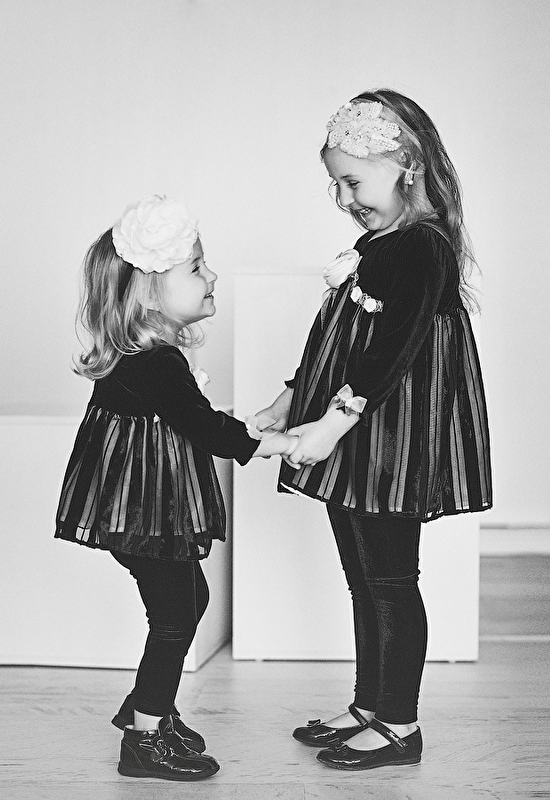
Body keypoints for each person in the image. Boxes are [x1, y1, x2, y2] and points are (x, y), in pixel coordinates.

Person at [256, 90, 492, 771]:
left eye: (353, 181)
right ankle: (370, 704)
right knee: (364, 577)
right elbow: (340, 342)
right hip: (359, 433)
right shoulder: (381, 244)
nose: (343, 197)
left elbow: (391, 349)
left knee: (390, 580)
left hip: (390, 438)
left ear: (406, 166)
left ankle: (399, 723)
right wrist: (289, 399)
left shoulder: (423, 248)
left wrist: (331, 425)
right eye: (335, 184)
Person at [55, 194, 297, 782]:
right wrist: (279, 442)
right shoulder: (155, 362)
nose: (211, 275)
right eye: (196, 267)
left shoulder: (147, 358)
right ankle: (143, 737)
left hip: (143, 509)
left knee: (189, 602)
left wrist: (246, 427)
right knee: (174, 617)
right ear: (149, 291)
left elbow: (193, 420)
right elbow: (204, 428)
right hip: (143, 513)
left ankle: (150, 709)